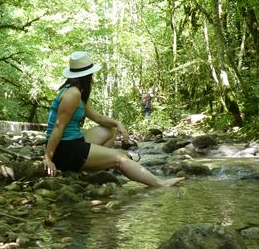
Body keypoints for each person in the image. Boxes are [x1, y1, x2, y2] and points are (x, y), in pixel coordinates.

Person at [43, 51, 183, 187]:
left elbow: (98, 118)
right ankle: (160, 183)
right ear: (87, 75)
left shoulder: (76, 91)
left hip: (71, 142)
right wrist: (48, 158)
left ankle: (96, 164)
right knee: (120, 158)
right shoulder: (72, 94)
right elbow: (58, 127)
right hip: (65, 150)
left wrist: (119, 124)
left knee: (110, 129)